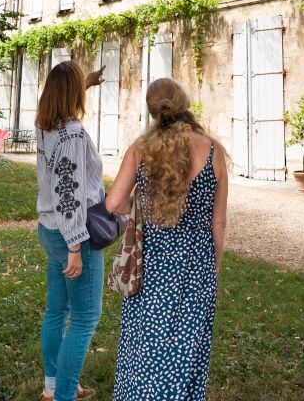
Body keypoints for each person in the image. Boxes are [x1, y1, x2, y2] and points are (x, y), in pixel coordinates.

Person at [104, 78, 229, 401]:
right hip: (196, 268)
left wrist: (142, 204)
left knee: (144, 354)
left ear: (152, 110)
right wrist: (213, 271)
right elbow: (218, 222)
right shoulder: (213, 150)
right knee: (188, 356)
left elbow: (114, 203)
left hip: (153, 268)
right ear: (184, 104)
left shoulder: (141, 149)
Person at [35, 60, 105, 401]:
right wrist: (76, 247)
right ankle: (63, 394)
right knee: (85, 318)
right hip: (72, 234)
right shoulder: (72, 132)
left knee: (56, 311)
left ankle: (52, 385)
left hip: (49, 229)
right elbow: (69, 194)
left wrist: (85, 82)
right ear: (72, 94)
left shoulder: (45, 124)